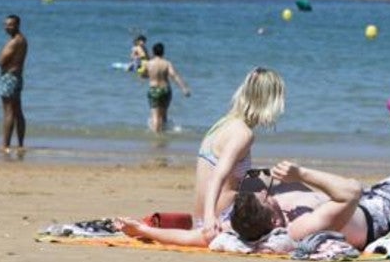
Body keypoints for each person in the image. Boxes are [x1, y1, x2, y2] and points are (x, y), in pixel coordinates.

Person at [115, 67, 285, 246]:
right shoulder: (243, 134)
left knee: (275, 187)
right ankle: (145, 230)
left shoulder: (223, 124)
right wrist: (210, 217)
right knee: (281, 212)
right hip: (223, 216)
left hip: (203, 216)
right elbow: (217, 177)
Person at [230, 160, 390, 250]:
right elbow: (353, 192)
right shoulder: (300, 227)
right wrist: (301, 174)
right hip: (375, 212)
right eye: (264, 197)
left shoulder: (251, 221)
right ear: (274, 220)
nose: (263, 192)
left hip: (362, 204)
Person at [0, 14, 28, 154]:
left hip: (9, 77)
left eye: (10, 25)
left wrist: (0, 57)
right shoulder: (23, 40)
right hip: (17, 77)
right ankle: (20, 144)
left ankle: (5, 145)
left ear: (17, 25)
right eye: (5, 25)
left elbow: (1, 61)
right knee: (17, 111)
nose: (6, 27)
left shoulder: (14, 42)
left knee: (8, 111)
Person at [143, 42, 191, 133]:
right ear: (163, 52)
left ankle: (157, 137)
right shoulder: (167, 63)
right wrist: (184, 88)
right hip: (165, 90)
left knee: (155, 115)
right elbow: (174, 76)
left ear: (153, 52)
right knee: (164, 115)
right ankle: (163, 135)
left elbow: (143, 75)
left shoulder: (148, 64)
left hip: (153, 90)